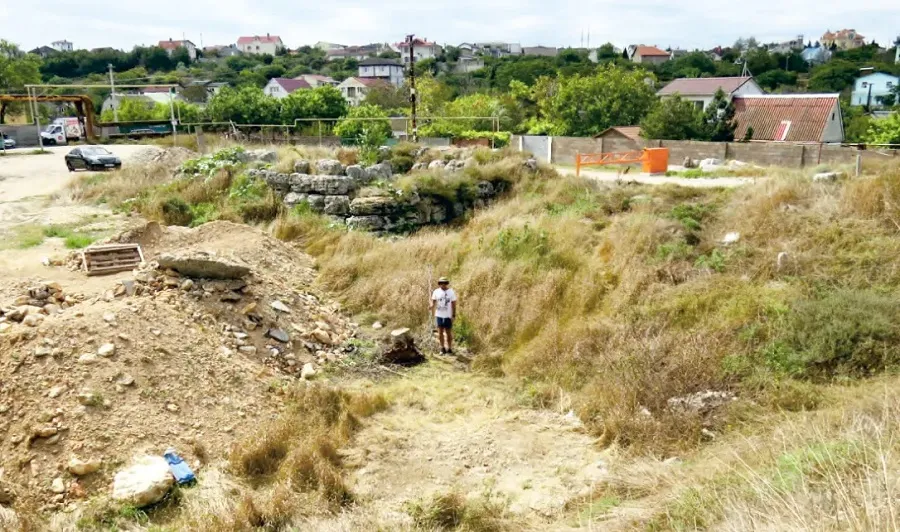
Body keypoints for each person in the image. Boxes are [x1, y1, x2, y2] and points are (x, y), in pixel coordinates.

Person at [430, 277, 458, 355]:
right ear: (439, 283)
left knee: (448, 332)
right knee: (440, 332)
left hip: (448, 316)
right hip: (439, 315)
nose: (443, 284)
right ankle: (442, 348)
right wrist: (431, 306)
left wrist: (453, 315)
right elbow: (433, 301)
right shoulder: (436, 291)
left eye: (445, 283)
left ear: (447, 283)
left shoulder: (451, 292)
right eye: (441, 283)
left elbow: (454, 304)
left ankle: (449, 348)